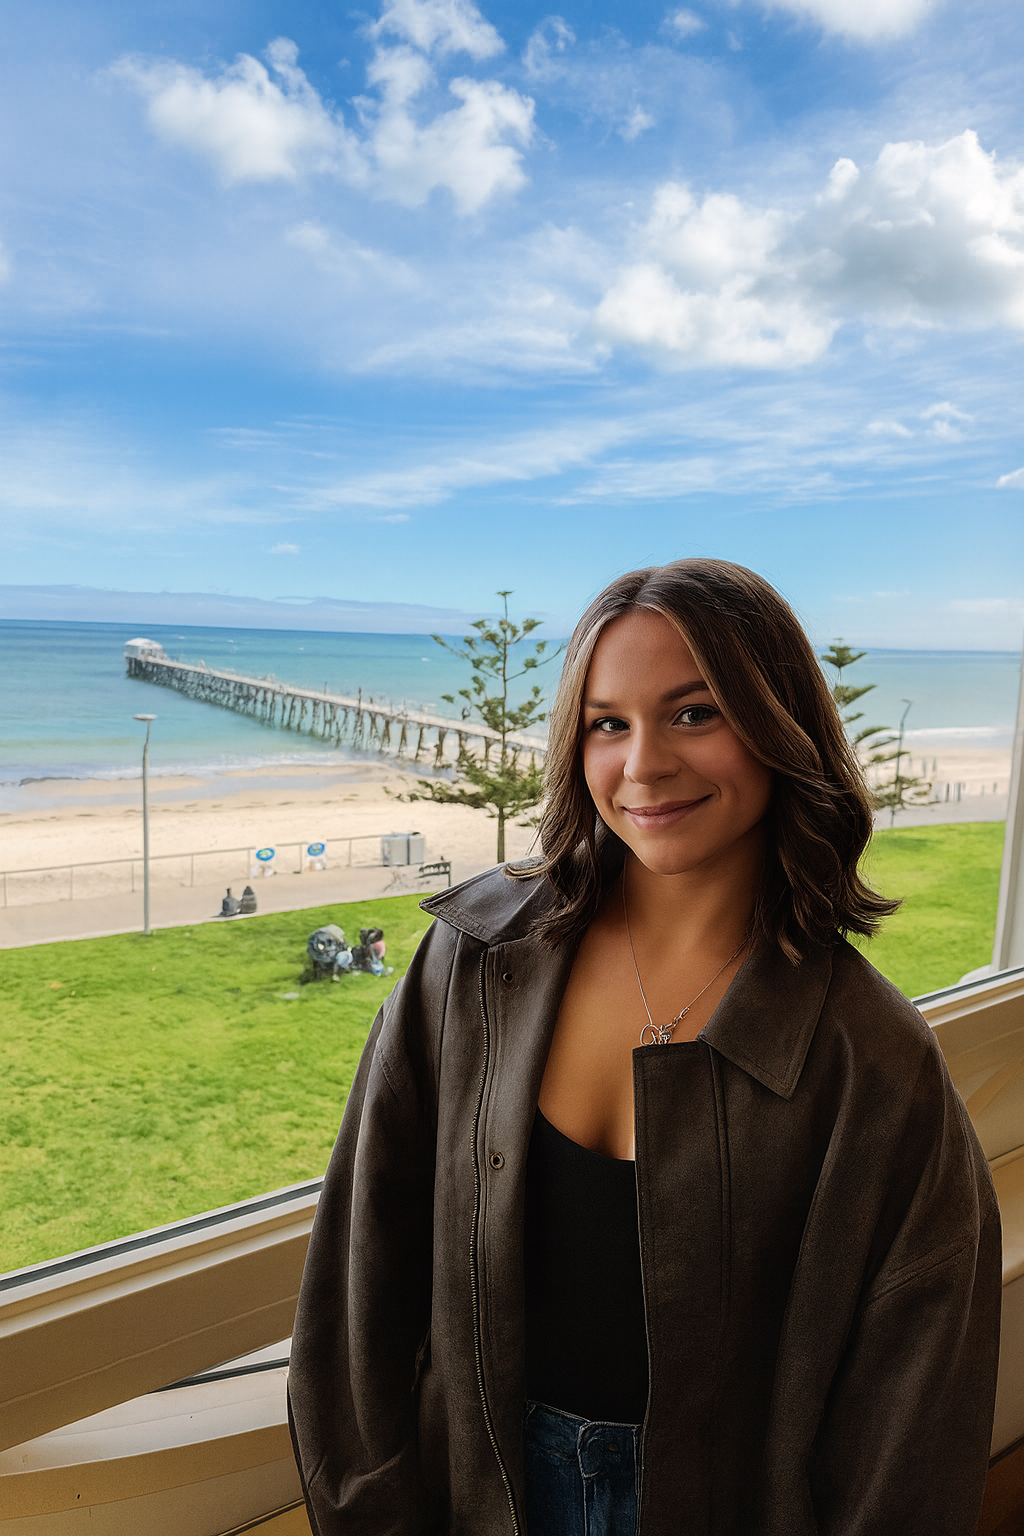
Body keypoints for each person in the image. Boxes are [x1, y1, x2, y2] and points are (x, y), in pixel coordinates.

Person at [288, 558, 1001, 1536]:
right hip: (477, 1497)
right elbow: (358, 1282)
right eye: (607, 723)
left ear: (779, 726)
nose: (643, 766)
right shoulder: (472, 964)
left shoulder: (867, 1062)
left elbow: (909, 1429)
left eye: (695, 713)